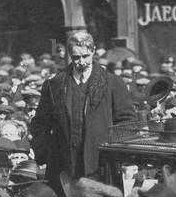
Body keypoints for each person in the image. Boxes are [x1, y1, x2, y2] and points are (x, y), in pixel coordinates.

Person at [29, 31, 133, 184]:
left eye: (86, 56)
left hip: (100, 167)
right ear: (70, 55)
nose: (82, 62)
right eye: (76, 57)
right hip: (63, 168)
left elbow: (127, 121)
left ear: (93, 51)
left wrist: (113, 151)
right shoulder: (54, 85)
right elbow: (40, 124)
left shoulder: (113, 83)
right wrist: (47, 152)